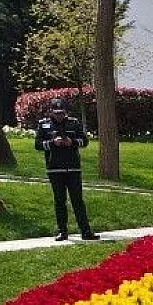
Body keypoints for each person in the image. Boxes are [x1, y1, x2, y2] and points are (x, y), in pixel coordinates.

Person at [33, 98, 98, 241]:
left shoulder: (73, 123)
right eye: (56, 113)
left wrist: (71, 142)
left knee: (77, 200)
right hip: (55, 168)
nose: (59, 116)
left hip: (73, 168)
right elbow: (38, 144)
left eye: (61, 113)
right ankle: (62, 231)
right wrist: (52, 143)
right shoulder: (44, 125)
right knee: (59, 200)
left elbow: (84, 141)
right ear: (51, 112)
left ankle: (86, 231)